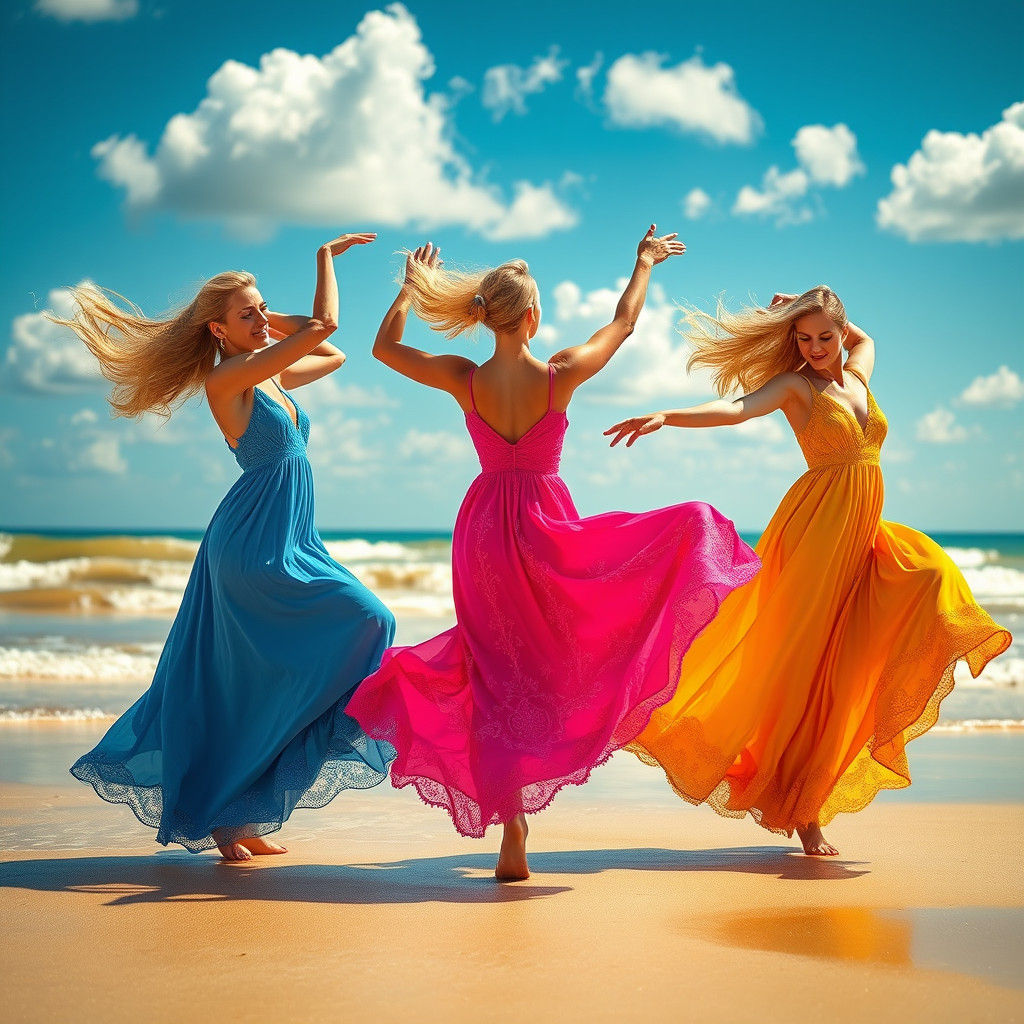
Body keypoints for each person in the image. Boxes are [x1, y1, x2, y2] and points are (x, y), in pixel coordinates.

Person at [347, 227, 760, 880]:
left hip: (482, 532)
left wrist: (407, 289)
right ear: (533, 316)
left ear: (483, 316)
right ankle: (558, 755)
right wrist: (643, 262)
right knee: (557, 655)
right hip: (544, 525)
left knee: (496, 671)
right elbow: (623, 325)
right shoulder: (560, 373)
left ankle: (513, 826)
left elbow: (383, 348)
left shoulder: (463, 377)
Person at [605, 286, 1011, 854]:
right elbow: (736, 409)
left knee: (930, 576)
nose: (815, 348)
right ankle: (803, 812)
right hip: (816, 535)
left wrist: (809, 303)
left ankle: (816, 788)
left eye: (825, 336)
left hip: (862, 535)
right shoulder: (797, 385)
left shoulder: (859, 375)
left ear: (841, 335)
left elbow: (867, 338)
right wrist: (666, 416)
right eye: (804, 337)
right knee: (807, 671)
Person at [61, 232, 398, 859]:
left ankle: (237, 814)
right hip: (254, 547)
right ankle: (229, 809)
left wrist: (263, 320)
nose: (263, 317)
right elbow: (325, 323)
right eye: (247, 313)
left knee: (260, 683)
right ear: (217, 332)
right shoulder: (232, 379)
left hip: (294, 538)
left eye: (262, 306)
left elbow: (333, 352)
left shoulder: (270, 373)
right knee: (368, 619)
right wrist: (324, 260)